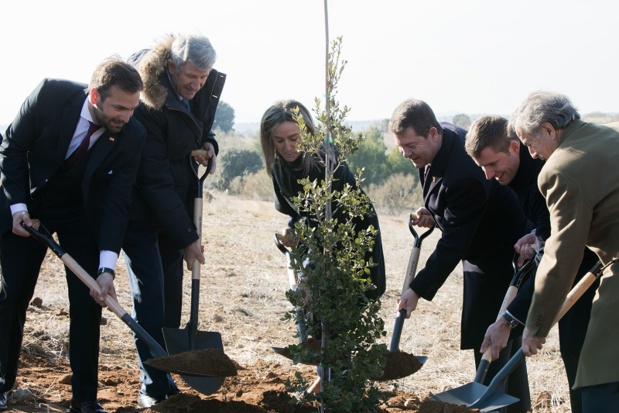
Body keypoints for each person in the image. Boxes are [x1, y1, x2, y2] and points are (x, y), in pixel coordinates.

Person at [0, 57, 145, 413]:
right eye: (119, 107)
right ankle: (1, 383)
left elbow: (117, 202)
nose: (127, 116)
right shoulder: (50, 95)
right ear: (95, 95)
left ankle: (84, 398)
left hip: (81, 213)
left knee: (88, 300)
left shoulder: (132, 134)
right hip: (29, 203)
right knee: (14, 293)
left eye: (133, 108)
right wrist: (18, 208)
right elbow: (12, 149)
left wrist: (107, 267)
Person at [390, 99, 530, 412]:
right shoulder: (441, 144)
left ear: (433, 133)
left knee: (492, 339)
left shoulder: (464, 172)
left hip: (501, 254)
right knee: (495, 340)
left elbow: (454, 241)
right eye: (402, 147)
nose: (407, 153)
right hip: (481, 248)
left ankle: (497, 408)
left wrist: (417, 288)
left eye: (412, 145)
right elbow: (445, 196)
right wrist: (434, 210)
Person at [465, 115, 599, 413]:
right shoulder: (517, 175)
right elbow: (550, 229)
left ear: (514, 147)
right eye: (482, 168)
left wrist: (512, 320)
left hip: (592, 265)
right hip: (578, 263)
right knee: (575, 350)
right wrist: (537, 235)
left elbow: (557, 256)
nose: (488, 175)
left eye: (492, 164)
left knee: (582, 350)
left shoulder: (544, 173)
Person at [121, 34, 226, 407]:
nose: (197, 85)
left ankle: (165, 380)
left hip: (174, 210)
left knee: (169, 304)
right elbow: (153, 179)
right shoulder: (149, 99)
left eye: (203, 77)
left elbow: (199, 129)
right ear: (171, 66)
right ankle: (151, 386)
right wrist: (187, 236)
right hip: (140, 213)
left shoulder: (202, 89)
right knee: (150, 300)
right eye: (191, 77)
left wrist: (209, 146)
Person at [509, 91, 619, 412]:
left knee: (600, 371)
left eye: (530, 143)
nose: (531, 155)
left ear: (548, 129)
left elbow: (562, 255)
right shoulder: (609, 132)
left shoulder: (560, 169)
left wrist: (536, 325)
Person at [259, 99, 386, 302]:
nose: (288, 147)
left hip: (351, 238)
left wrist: (309, 272)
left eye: (294, 138)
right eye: (279, 140)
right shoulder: (279, 168)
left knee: (343, 307)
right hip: (317, 243)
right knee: (315, 318)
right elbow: (298, 211)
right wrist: (292, 229)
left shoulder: (327, 164)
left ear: (307, 132)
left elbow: (330, 226)